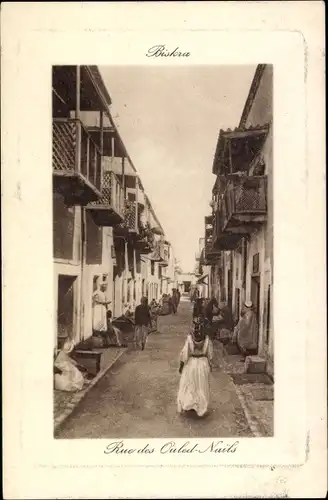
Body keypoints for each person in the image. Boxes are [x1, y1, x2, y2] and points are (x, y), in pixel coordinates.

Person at [177, 320, 214, 417]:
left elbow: (184, 354)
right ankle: (201, 406)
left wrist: (181, 366)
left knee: (190, 385)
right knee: (201, 386)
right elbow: (210, 354)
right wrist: (210, 365)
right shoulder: (207, 339)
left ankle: (189, 404)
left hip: (191, 364)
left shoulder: (189, 339)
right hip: (203, 364)